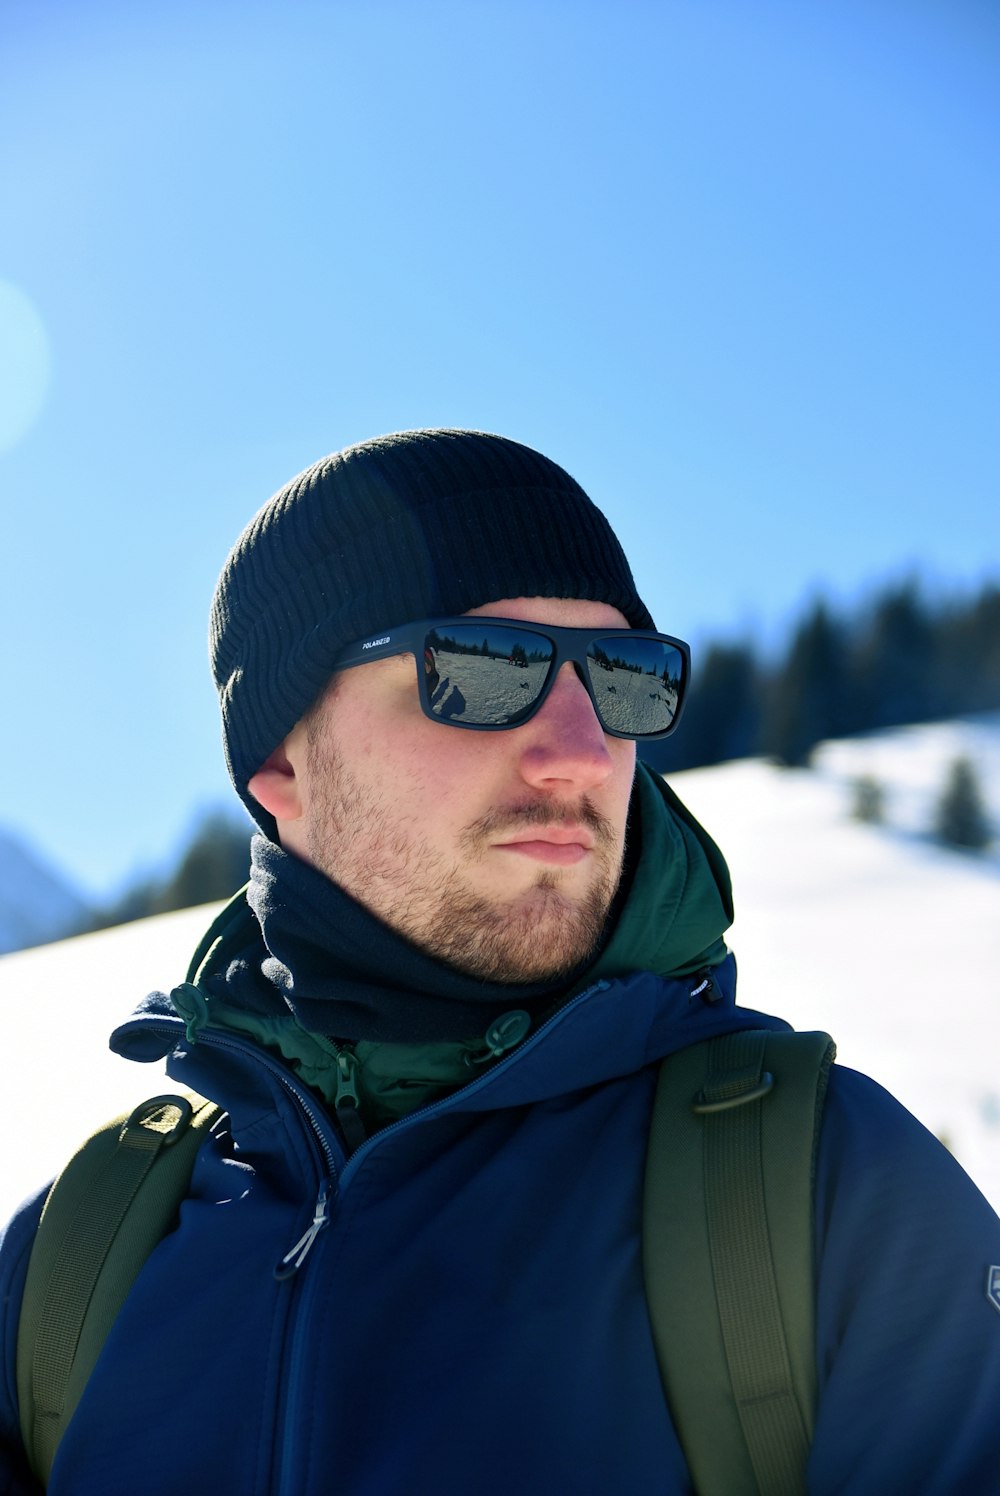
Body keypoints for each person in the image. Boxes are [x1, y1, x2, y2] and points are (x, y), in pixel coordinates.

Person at [1, 428, 999, 1494]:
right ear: (280, 756)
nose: (579, 748)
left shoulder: (826, 1194)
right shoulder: (81, 1253)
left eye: (623, 678)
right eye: (480, 668)